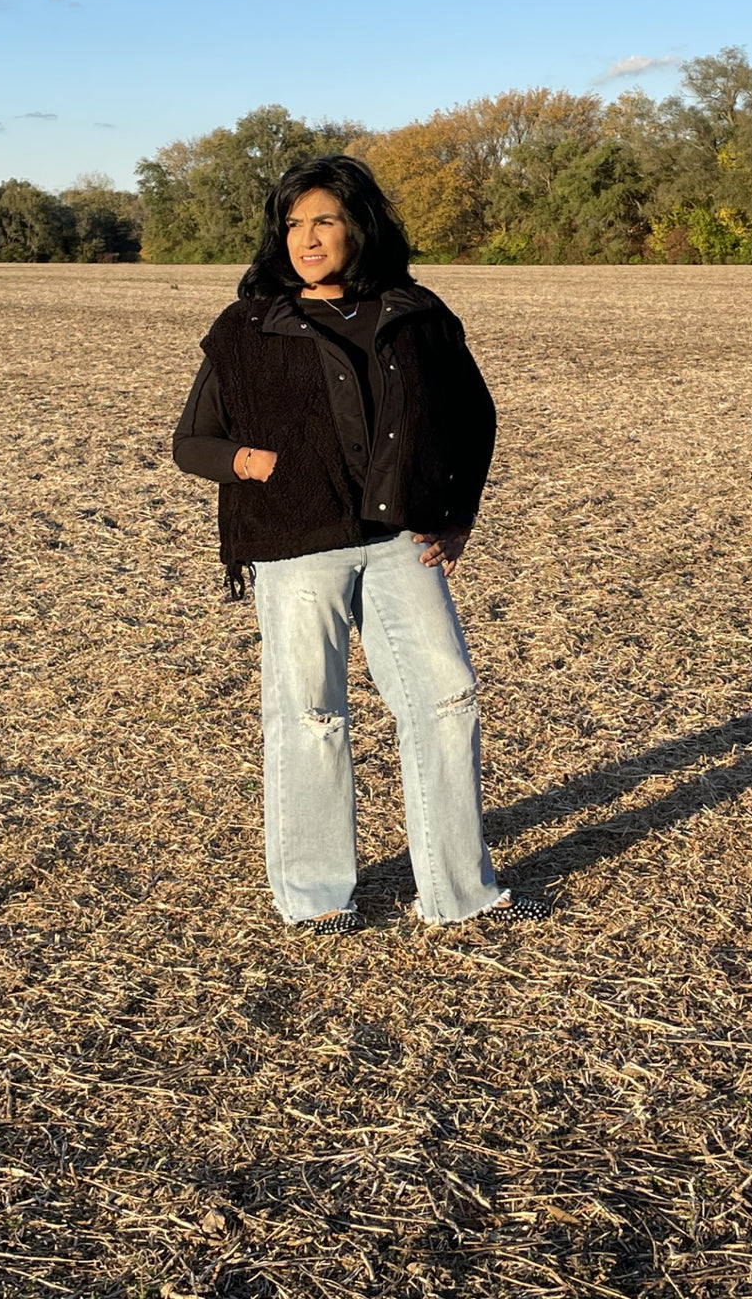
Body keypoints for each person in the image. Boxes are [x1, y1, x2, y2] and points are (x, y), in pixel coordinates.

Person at [172, 156, 549, 933]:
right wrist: (253, 463)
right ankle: (315, 901)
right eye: (293, 225)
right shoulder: (248, 326)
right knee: (311, 714)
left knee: (447, 701)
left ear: (359, 227)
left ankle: (459, 895)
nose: (306, 239)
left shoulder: (415, 313)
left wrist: (458, 516)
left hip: (401, 543)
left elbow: (472, 419)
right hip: (297, 544)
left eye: (324, 221)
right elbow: (192, 441)